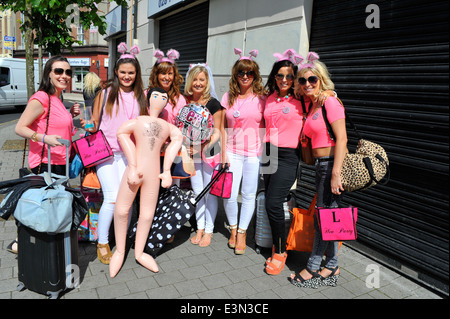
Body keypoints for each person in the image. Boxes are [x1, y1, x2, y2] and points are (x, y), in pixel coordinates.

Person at [82, 43, 147, 264]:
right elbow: (94, 121)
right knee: (111, 198)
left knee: (126, 201)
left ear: (136, 74)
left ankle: (121, 242)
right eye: (123, 72)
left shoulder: (142, 96)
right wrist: (86, 122)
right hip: (107, 154)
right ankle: (102, 242)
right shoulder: (107, 93)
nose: (127, 76)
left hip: (130, 156)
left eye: (131, 72)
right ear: (116, 73)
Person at [10, 56, 80, 254]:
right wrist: (43, 138)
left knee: (51, 208)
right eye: (58, 71)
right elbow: (19, 127)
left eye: (68, 72)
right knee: (42, 206)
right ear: (48, 73)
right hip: (45, 163)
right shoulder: (41, 97)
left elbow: (59, 128)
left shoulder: (57, 98)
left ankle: (42, 247)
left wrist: (70, 116)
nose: (64, 76)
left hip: (60, 162)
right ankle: (23, 243)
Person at [109, 87, 182, 277]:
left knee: (147, 215)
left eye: (164, 97)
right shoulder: (139, 120)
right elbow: (121, 133)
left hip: (153, 173)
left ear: (167, 103)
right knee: (121, 209)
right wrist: (132, 164)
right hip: (136, 170)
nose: (160, 99)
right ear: (148, 99)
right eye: (156, 96)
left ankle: (140, 252)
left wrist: (166, 171)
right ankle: (120, 250)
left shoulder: (167, 126)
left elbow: (178, 139)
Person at [289, 52, 347, 288]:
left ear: (322, 80)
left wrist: (336, 173)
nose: (307, 84)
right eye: (302, 80)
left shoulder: (329, 101)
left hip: (330, 165)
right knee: (330, 217)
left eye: (313, 79)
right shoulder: (312, 104)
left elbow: (342, 138)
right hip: (321, 167)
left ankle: (313, 267)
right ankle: (332, 264)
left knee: (323, 219)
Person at [261, 49, 303, 275]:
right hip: (268, 152)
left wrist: (330, 94)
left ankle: (280, 250)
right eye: (280, 75)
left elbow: (321, 96)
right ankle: (274, 240)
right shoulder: (269, 97)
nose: (284, 80)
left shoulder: (301, 99)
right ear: (274, 77)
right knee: (270, 200)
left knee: (272, 202)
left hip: (288, 155)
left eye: (289, 76)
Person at [221, 48, 265, 254]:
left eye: (249, 73)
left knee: (248, 194)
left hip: (253, 154)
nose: (245, 76)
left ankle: (242, 232)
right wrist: (222, 153)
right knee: (229, 194)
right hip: (232, 151)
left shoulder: (262, 99)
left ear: (255, 75)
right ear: (235, 75)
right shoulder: (227, 97)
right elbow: (220, 127)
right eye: (241, 73)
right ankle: (232, 228)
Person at [184, 64, 226, 247]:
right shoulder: (187, 103)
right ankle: (200, 227)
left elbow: (219, 131)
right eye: (195, 79)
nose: (198, 83)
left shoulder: (214, 105)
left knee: (209, 193)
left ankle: (209, 230)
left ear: (207, 81)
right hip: (193, 155)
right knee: (198, 192)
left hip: (210, 154)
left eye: (202, 79)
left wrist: (201, 146)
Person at [148, 49, 187, 125]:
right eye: (163, 73)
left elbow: (182, 125)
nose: (167, 77)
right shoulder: (146, 94)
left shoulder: (180, 99)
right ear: (156, 75)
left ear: (174, 75)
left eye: (170, 73)